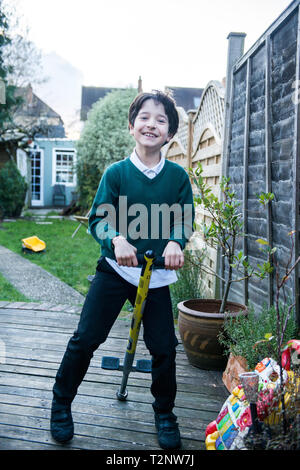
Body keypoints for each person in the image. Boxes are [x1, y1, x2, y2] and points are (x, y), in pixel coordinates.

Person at [50, 90, 194, 450]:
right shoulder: (116, 174)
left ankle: (165, 413)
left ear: (170, 134)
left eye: (161, 120)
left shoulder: (177, 177)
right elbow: (99, 219)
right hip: (116, 270)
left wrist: (176, 241)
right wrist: (116, 240)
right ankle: (61, 402)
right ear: (132, 127)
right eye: (144, 117)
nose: (152, 124)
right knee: (86, 338)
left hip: (156, 274)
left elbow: (185, 219)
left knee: (164, 348)